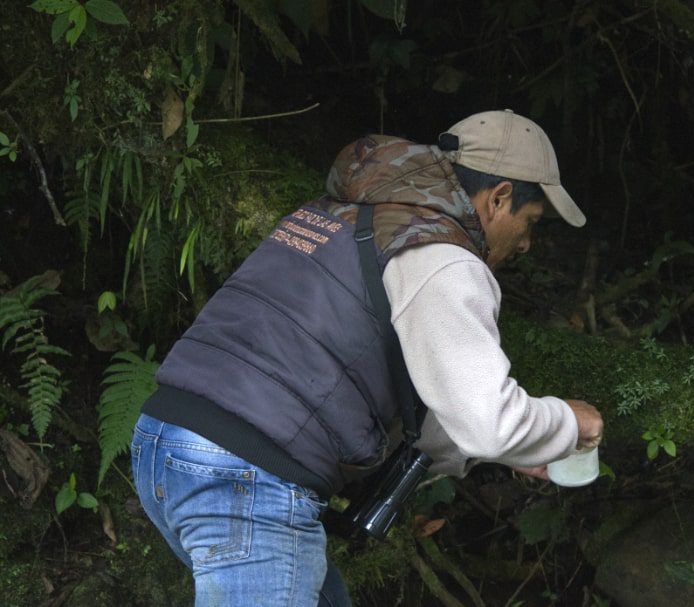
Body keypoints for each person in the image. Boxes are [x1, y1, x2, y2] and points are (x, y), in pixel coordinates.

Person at [129, 109, 605, 606]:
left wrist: (512, 448)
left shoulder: (337, 215)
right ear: (499, 197)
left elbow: (440, 409)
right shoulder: (443, 258)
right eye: (530, 222)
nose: (527, 242)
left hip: (165, 442)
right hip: (245, 478)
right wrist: (570, 423)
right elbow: (488, 420)